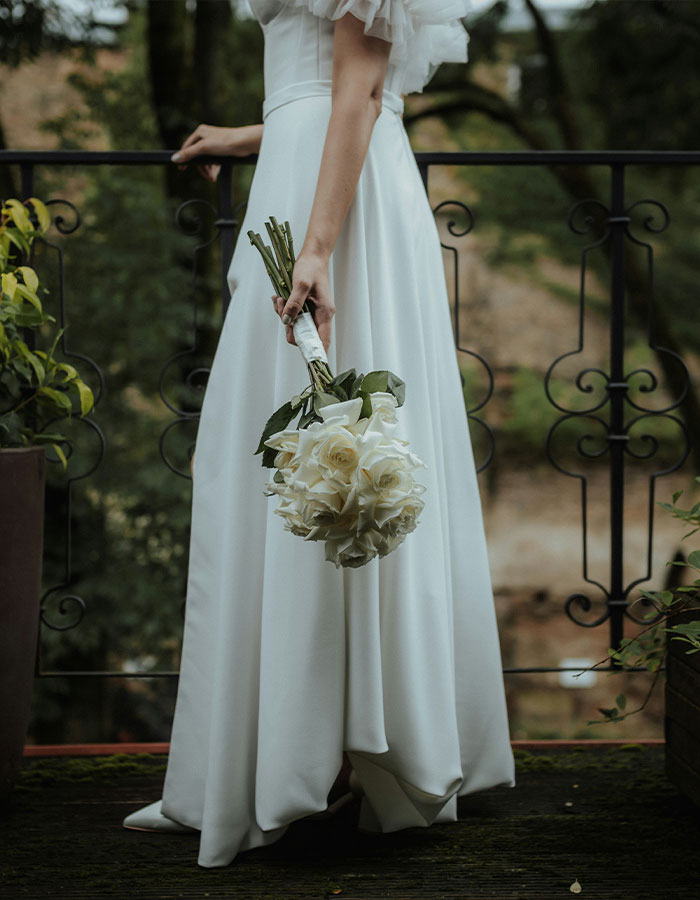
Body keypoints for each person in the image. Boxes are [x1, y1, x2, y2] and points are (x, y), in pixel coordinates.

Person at [122, 0, 516, 869]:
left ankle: (337, 759)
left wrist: (317, 249)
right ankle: (289, 755)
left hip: (340, 207)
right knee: (287, 455)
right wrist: (249, 132)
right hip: (307, 171)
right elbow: (320, 85)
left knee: (330, 447)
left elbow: (362, 94)